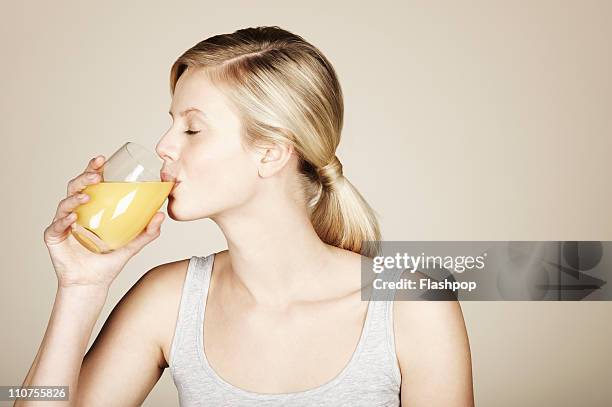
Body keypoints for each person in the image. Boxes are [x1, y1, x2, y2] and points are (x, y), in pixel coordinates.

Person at [18, 26, 474, 406]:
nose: (164, 145)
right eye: (172, 122)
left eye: (192, 128)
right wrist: (80, 288)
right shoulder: (167, 300)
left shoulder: (412, 306)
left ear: (271, 153)